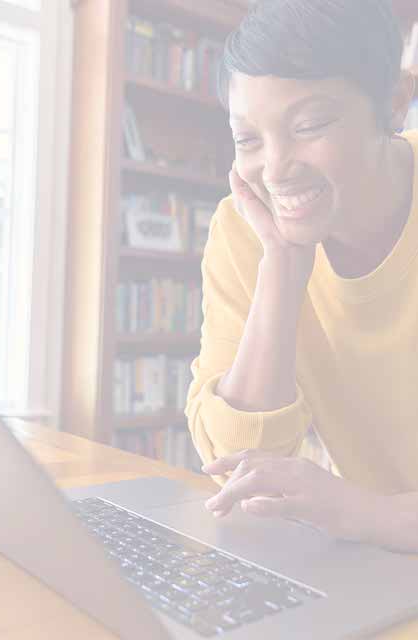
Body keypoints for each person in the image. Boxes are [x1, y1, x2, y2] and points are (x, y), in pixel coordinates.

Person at [184, 0, 418, 553]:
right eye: (248, 140)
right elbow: (233, 467)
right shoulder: (247, 227)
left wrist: (360, 511)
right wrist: (283, 268)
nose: (277, 167)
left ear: (393, 105)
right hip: (378, 565)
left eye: (309, 125)